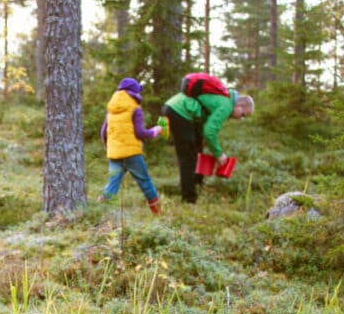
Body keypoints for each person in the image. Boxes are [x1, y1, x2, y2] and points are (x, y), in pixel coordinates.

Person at [161, 79, 254, 204]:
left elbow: (205, 124)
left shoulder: (224, 100)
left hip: (175, 107)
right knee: (188, 156)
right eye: (243, 114)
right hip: (179, 111)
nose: (240, 118)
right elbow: (210, 132)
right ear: (239, 106)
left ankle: (197, 185)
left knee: (196, 149)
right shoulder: (226, 105)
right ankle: (189, 199)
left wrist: (206, 142)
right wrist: (219, 154)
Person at [98, 77, 165, 215]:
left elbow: (103, 133)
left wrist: (109, 148)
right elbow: (140, 133)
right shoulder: (135, 109)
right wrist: (155, 131)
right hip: (132, 154)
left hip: (114, 154)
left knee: (112, 184)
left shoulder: (111, 110)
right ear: (134, 92)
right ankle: (158, 213)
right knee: (145, 181)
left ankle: (99, 211)